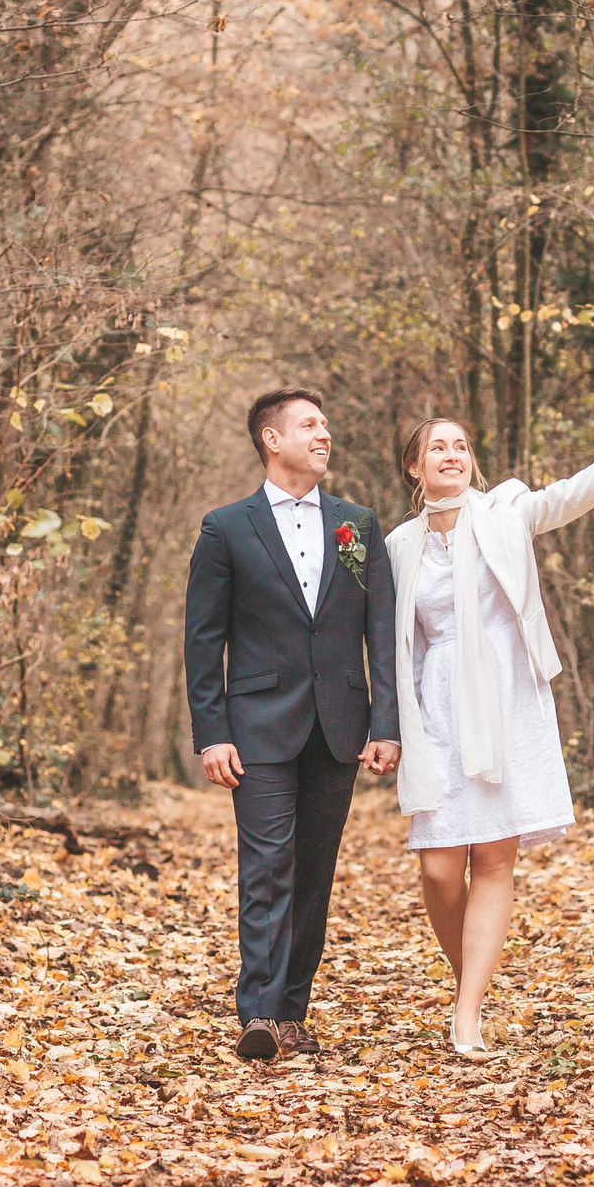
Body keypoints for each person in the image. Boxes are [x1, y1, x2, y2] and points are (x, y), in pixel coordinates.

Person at [383, 403, 594, 1055]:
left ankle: (466, 1017)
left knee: (491, 858)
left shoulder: (505, 511)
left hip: (507, 701)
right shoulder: (397, 548)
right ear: (414, 464)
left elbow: (576, 492)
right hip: (435, 711)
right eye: (438, 447)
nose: (453, 455)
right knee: (438, 869)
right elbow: (388, 645)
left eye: (461, 445)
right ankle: (474, 985)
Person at [184, 388, 400, 1061]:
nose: (324, 433)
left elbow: (381, 632)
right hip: (256, 725)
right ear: (272, 440)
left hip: (338, 723)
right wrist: (211, 730)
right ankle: (259, 1010)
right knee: (266, 863)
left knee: (313, 870)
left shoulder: (358, 525)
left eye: (326, 424)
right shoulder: (226, 527)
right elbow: (202, 638)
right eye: (310, 424)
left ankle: (293, 1010)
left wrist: (385, 723)